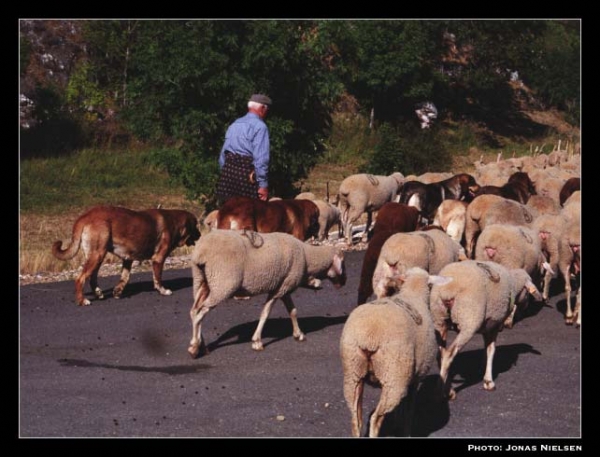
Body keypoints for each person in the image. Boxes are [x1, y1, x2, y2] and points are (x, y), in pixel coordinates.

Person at [216, 94, 272, 205]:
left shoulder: (235, 124)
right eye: (267, 109)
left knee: (228, 212)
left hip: (227, 175)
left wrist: (226, 172)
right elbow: (261, 159)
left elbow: (223, 155)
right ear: (262, 108)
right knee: (250, 216)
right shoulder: (260, 127)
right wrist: (263, 185)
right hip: (246, 177)